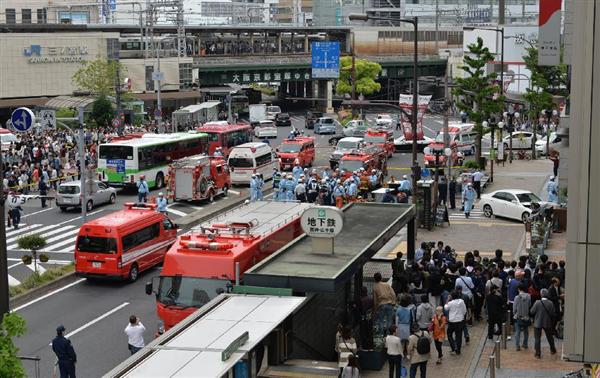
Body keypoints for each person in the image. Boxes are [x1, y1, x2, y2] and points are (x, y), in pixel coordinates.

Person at [530, 288, 557, 358]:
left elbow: (532, 312)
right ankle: (553, 349)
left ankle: (538, 353)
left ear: (541, 294)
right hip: (547, 323)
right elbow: (553, 313)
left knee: (537, 338)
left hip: (538, 322)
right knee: (550, 337)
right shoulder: (550, 303)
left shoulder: (537, 302)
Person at [444, 290, 467, 355]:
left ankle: (453, 346)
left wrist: (447, 300)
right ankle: (458, 349)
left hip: (452, 321)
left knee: (449, 334)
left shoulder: (450, 303)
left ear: (451, 296)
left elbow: (445, 308)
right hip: (460, 321)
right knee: (459, 335)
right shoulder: (461, 301)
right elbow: (464, 311)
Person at [513, 283, 532, 351]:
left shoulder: (516, 297)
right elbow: (530, 305)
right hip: (526, 316)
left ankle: (517, 346)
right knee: (526, 331)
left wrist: (514, 314)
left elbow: (514, 308)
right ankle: (525, 344)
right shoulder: (529, 296)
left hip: (518, 316)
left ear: (519, 289)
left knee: (517, 332)